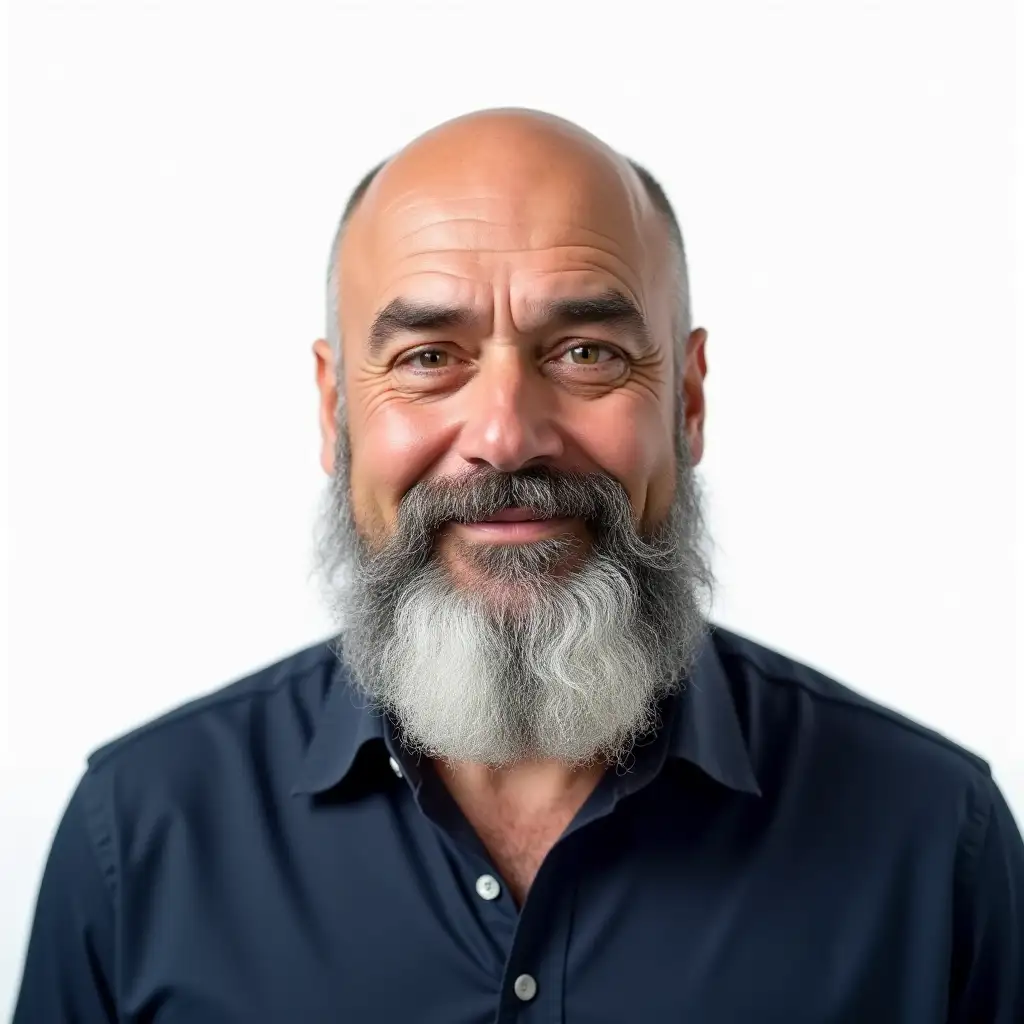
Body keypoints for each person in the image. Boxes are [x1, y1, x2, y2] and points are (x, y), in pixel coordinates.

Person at [13, 107, 1022, 1023]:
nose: (504, 434)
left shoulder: (934, 844)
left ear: (690, 399)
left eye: (585, 352)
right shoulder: (137, 839)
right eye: (426, 356)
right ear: (334, 412)